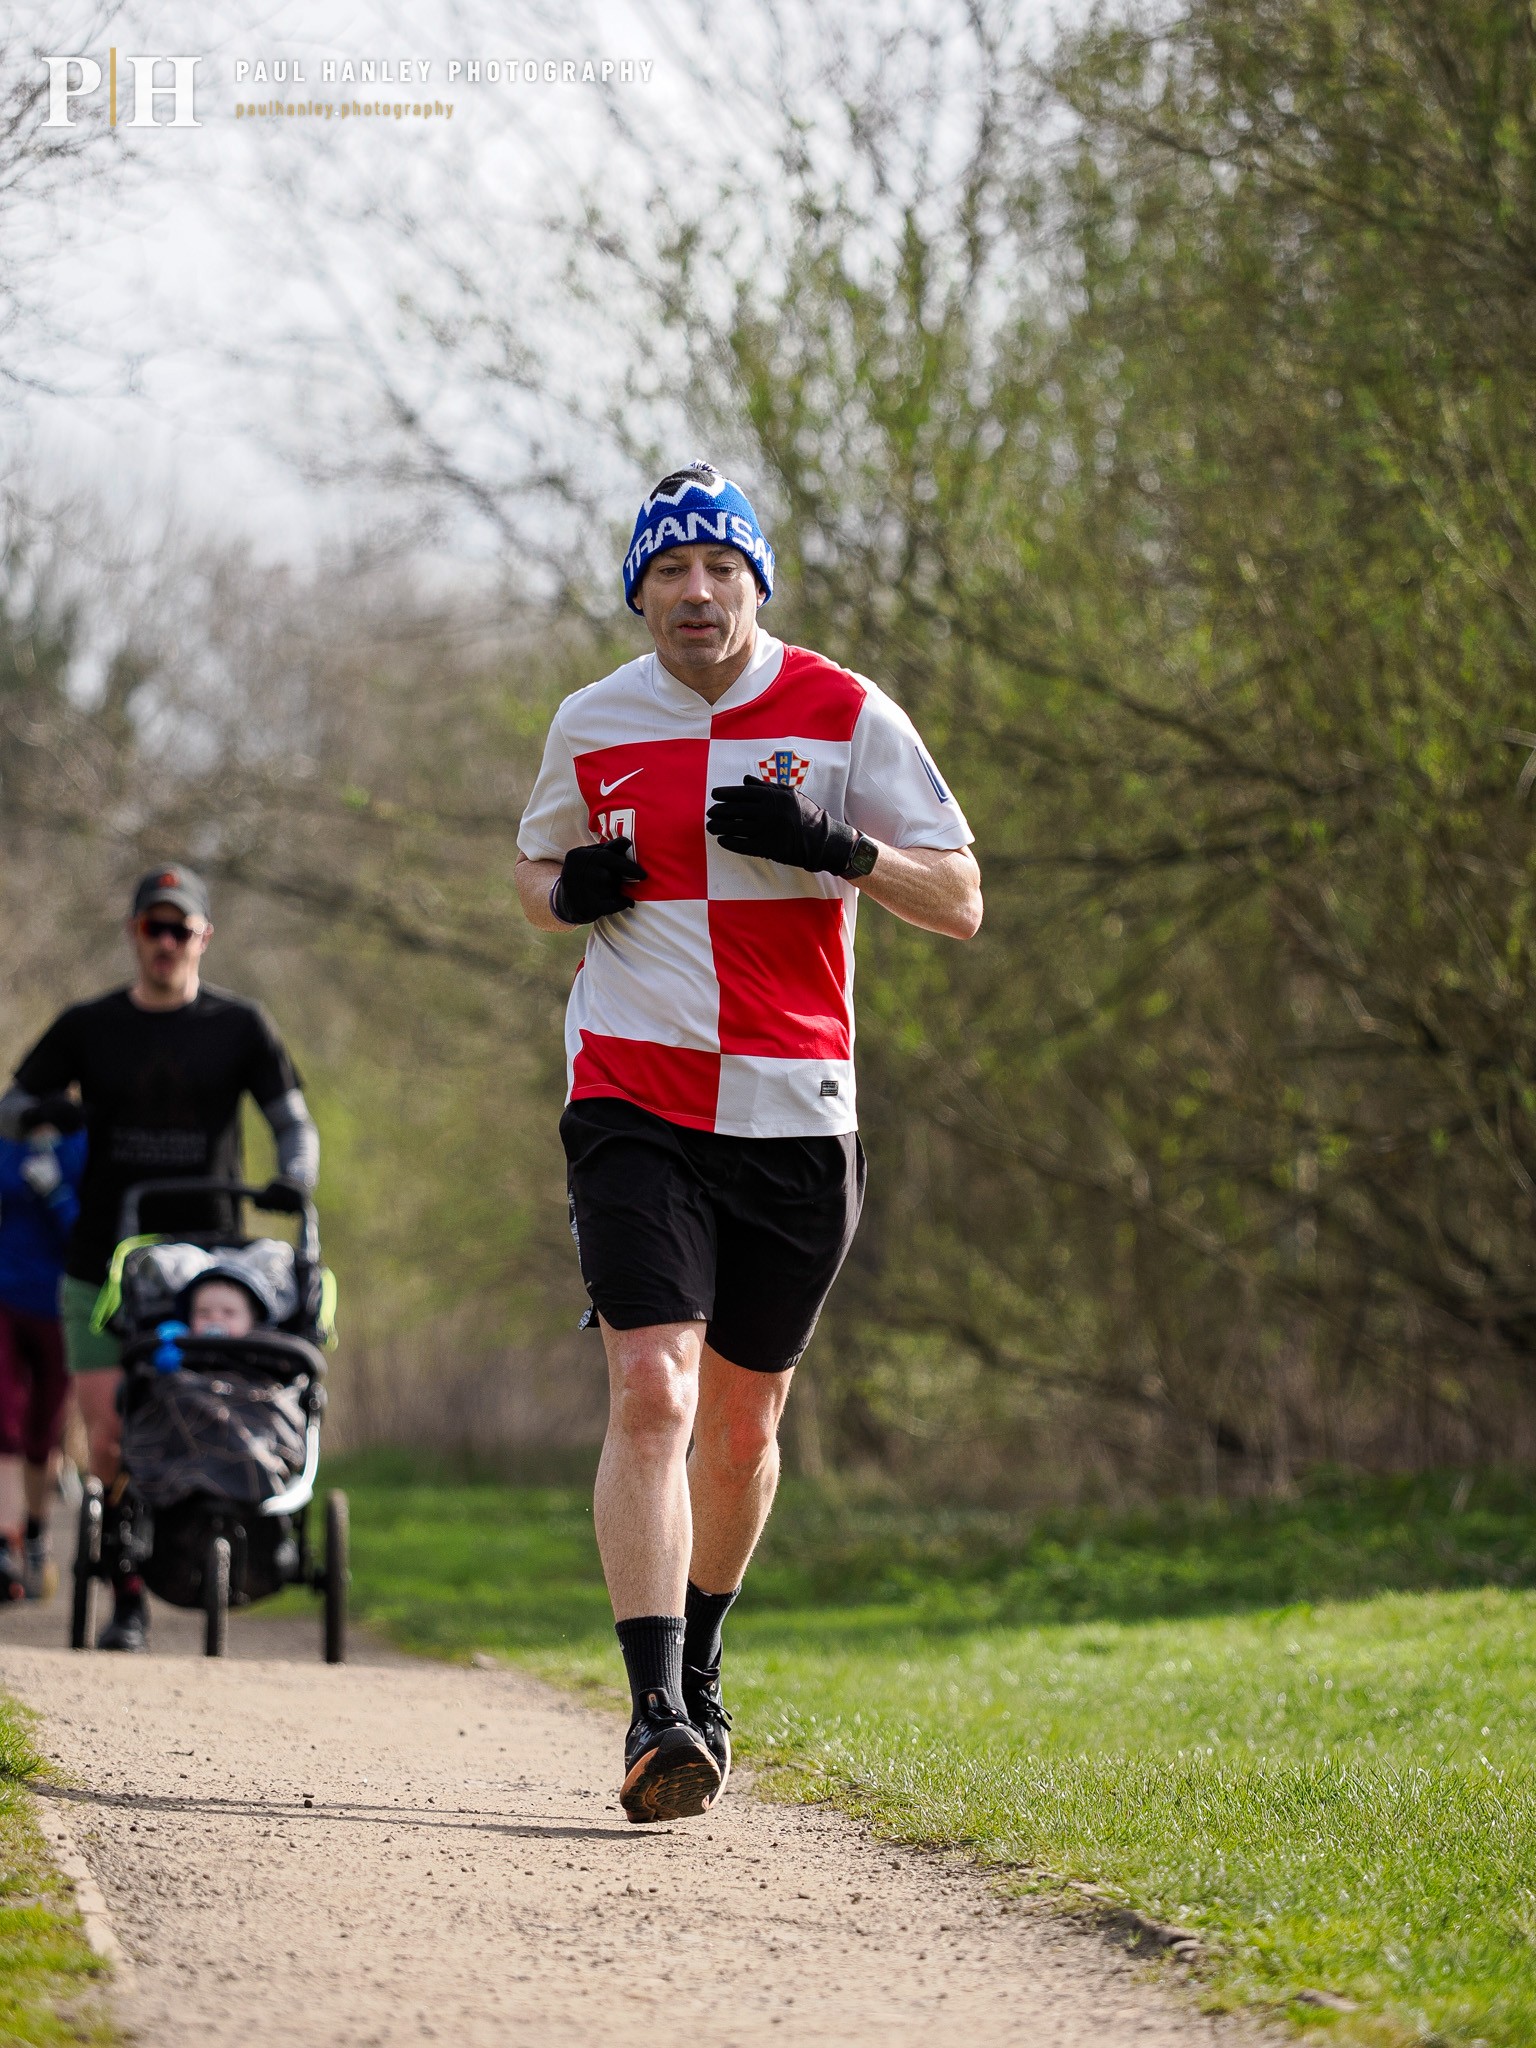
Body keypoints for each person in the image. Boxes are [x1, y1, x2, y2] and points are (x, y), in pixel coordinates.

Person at [515, 462, 981, 1822]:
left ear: (755, 584)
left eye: (721, 569)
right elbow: (535, 873)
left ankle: (704, 1656)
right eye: (668, 572)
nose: (696, 593)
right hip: (633, 1098)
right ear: (639, 595)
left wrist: (838, 849)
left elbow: (959, 898)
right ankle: (655, 1710)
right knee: (652, 1392)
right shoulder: (592, 721)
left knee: (739, 1426)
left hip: (794, 1111)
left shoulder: (844, 709)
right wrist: (570, 889)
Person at [0, 864, 320, 1651]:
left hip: (202, 1261)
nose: (167, 942)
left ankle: (228, 1536)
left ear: (205, 937)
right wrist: (46, 1114)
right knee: (109, 1433)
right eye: (154, 927)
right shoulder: (87, 1025)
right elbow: (11, 1109)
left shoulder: (241, 1026)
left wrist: (294, 1178)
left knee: (203, 1411)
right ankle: (129, 1592)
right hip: (100, 1259)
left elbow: (293, 1122)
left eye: (182, 928)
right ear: (134, 934)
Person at [0, 1115, 88, 1601]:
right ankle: (2, 1543)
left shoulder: (84, 1148)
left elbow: (86, 1232)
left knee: (42, 1432)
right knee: (3, 1421)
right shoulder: (4, 1146)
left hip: (59, 1305)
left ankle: (34, 1533)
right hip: (5, 1300)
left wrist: (57, 1194)